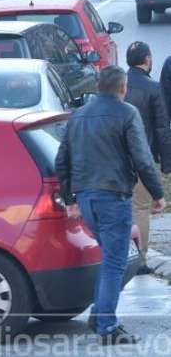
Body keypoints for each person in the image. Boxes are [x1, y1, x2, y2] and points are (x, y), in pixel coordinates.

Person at [55, 66, 167, 345]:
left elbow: (62, 161)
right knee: (115, 263)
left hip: (86, 198)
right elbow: (142, 158)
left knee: (109, 260)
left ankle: (98, 314)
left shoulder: (78, 116)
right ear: (123, 88)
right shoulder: (127, 113)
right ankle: (106, 325)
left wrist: (70, 199)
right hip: (113, 197)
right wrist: (158, 193)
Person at [125, 43, 171, 273]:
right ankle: (140, 260)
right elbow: (162, 128)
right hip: (143, 158)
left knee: (122, 208)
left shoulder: (118, 85)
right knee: (141, 209)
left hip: (117, 161)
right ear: (147, 59)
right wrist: (166, 163)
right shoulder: (153, 88)